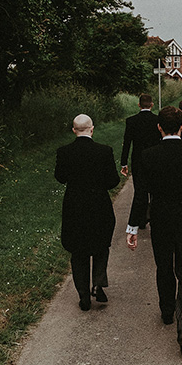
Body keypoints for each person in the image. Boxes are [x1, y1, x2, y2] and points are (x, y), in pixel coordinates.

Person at [126, 106, 182, 356]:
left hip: (161, 220)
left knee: (164, 266)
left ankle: (167, 311)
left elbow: (141, 195)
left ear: (159, 128)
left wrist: (133, 226)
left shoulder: (148, 156)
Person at [54, 114, 121, 311]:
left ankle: (83, 294)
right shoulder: (104, 151)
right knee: (101, 245)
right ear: (92, 129)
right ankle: (98, 282)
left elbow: (60, 177)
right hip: (99, 204)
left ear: (74, 130)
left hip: (74, 205)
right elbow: (113, 181)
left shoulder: (64, 152)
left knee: (78, 250)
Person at [120, 93, 162, 228]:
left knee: (140, 190)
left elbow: (127, 143)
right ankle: (155, 216)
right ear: (152, 105)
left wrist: (124, 162)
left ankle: (142, 218)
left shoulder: (131, 121)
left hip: (138, 159)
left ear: (139, 105)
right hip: (155, 158)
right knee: (155, 189)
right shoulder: (157, 120)